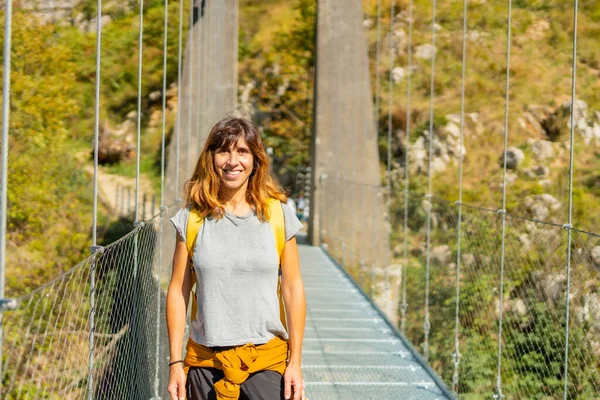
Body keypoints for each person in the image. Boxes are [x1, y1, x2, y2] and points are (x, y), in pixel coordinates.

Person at [166, 117, 306, 400]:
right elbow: (178, 291)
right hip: (206, 363)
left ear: (255, 159)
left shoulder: (278, 215)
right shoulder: (191, 219)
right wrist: (175, 363)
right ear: (211, 158)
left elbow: (293, 289)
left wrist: (296, 363)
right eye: (223, 151)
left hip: (266, 361)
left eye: (242, 151)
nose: (233, 161)